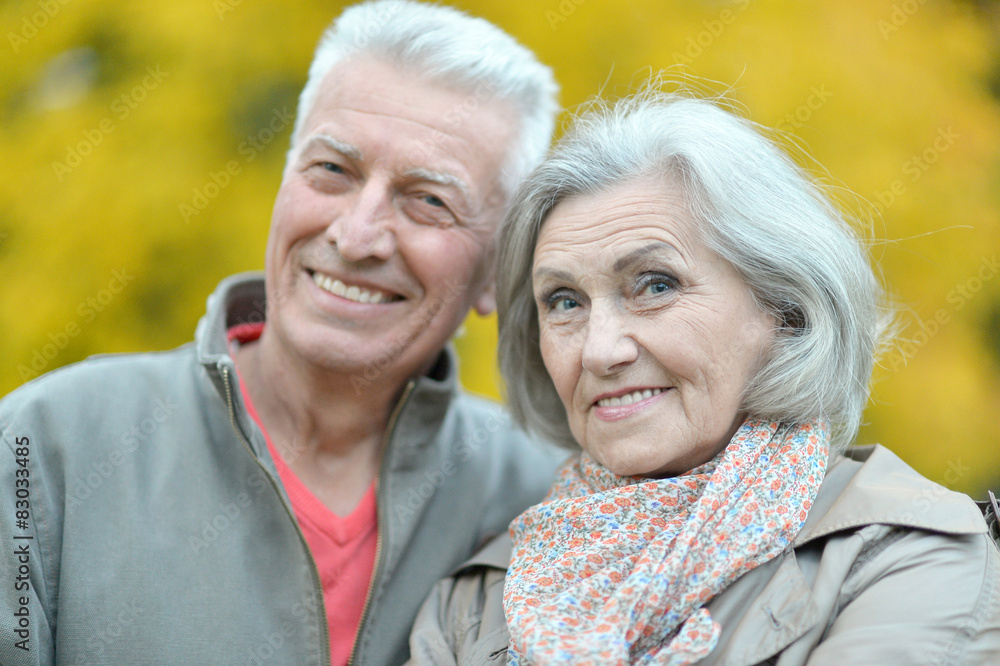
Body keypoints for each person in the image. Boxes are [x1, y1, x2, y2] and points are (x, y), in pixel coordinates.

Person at [0, 2, 565, 664]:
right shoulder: (43, 448)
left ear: (497, 272)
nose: (355, 236)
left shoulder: (545, 502)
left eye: (430, 201)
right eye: (332, 170)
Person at [407, 85, 1000, 664]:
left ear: (784, 309)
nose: (598, 350)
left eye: (655, 286)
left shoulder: (910, 558)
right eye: (565, 301)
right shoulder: (476, 599)